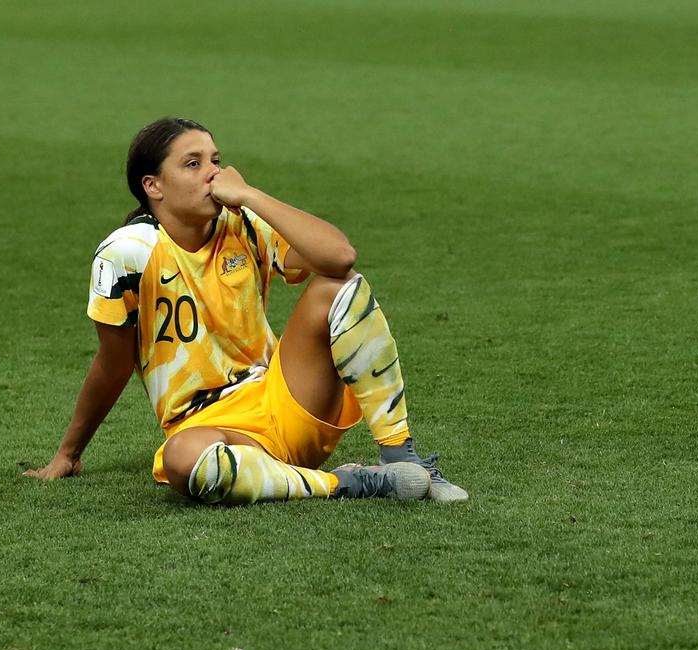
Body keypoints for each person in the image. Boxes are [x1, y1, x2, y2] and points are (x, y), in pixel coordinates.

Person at [25, 117, 468, 505]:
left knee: (337, 288)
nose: (212, 174)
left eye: (215, 161)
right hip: (214, 431)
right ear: (153, 186)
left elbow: (339, 257)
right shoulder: (127, 254)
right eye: (193, 163)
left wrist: (251, 196)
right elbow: (112, 363)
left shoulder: (242, 224)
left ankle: (401, 455)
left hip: (286, 398)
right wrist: (69, 453)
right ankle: (350, 483)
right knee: (182, 458)